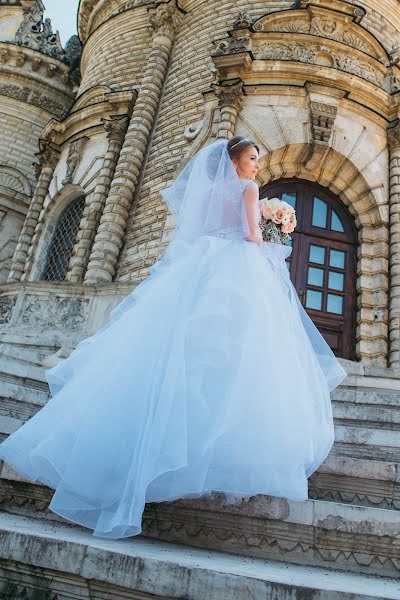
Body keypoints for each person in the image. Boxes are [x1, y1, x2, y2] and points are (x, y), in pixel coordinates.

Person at [0, 137, 347, 539]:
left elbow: (201, 231)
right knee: (235, 354)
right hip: (238, 270)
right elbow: (252, 236)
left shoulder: (210, 192)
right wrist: (274, 238)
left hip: (201, 268)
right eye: (251, 158)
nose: (256, 165)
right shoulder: (250, 189)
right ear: (234, 162)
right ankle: (207, 451)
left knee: (181, 349)